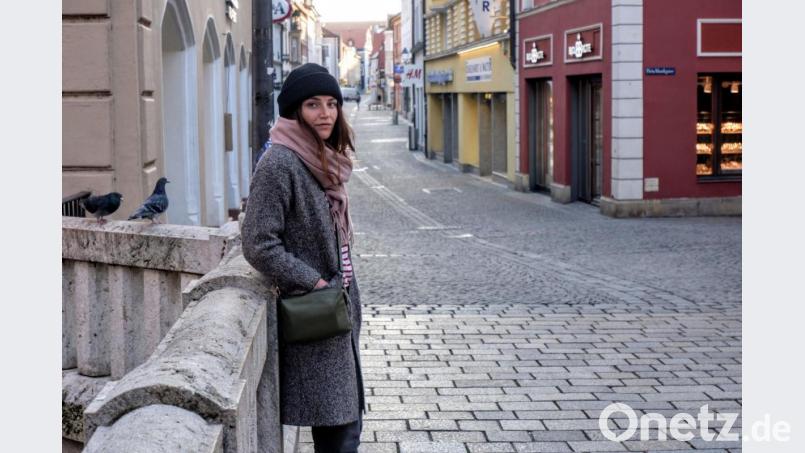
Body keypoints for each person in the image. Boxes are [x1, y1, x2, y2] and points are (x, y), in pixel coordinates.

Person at [241, 63, 365, 453]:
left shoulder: (324, 157)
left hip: (337, 306)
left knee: (343, 426)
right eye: (313, 104)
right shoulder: (280, 162)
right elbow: (258, 241)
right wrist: (312, 281)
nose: (326, 113)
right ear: (295, 110)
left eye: (332, 104)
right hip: (316, 309)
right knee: (339, 431)